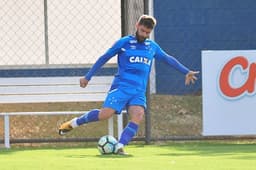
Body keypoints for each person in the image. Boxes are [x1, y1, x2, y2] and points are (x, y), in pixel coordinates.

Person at [58, 14, 199, 155]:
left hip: (138, 91)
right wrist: (88, 77)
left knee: (138, 115)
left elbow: (168, 59)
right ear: (137, 25)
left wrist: (186, 71)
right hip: (121, 87)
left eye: (147, 33)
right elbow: (104, 57)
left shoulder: (152, 47)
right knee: (105, 114)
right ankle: (73, 123)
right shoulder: (124, 42)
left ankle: (119, 146)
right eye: (142, 31)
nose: (144, 34)